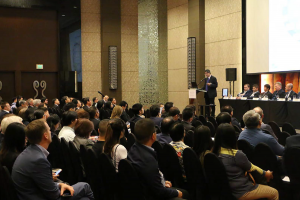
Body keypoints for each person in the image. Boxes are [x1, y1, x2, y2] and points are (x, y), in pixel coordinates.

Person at [12, 119, 94, 200]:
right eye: (49, 129)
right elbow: (54, 195)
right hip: (38, 196)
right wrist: (60, 186)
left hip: (32, 193)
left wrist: (59, 185)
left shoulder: (29, 152)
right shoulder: (38, 160)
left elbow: (44, 184)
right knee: (85, 186)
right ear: (45, 135)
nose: (51, 131)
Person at [212, 123, 278, 200]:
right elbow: (252, 168)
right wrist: (266, 174)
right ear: (232, 138)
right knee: (274, 193)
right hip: (242, 191)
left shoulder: (214, 152)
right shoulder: (236, 154)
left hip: (227, 191)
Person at [128, 119, 187, 199]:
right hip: (152, 195)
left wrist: (161, 182)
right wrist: (177, 193)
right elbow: (160, 192)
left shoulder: (133, 148)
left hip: (144, 189)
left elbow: (149, 177)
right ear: (153, 136)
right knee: (184, 194)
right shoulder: (148, 159)